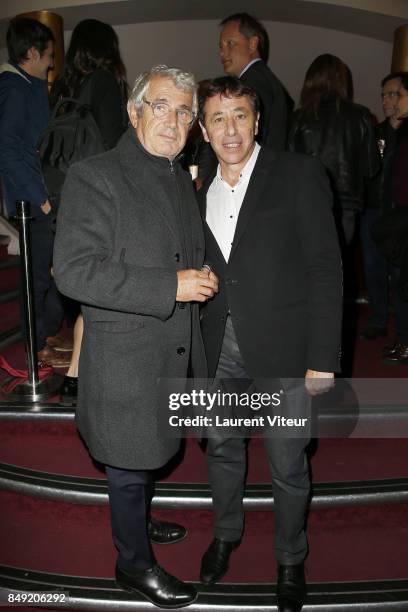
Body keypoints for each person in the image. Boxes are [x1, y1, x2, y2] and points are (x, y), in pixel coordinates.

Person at [53, 65, 218, 608]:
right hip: (125, 356)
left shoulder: (177, 174)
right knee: (127, 463)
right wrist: (170, 285)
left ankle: (139, 520)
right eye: (161, 106)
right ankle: (133, 563)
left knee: (148, 454)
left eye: (184, 112)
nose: (173, 120)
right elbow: (74, 272)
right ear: (134, 111)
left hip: (168, 350)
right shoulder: (95, 175)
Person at [196, 77, 342, 612]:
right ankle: (227, 534)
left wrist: (322, 359)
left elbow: (326, 270)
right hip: (218, 350)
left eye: (239, 115)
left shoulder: (299, 174)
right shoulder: (197, 186)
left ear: (257, 122)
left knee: (287, 464)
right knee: (222, 450)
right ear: (204, 129)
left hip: (284, 350)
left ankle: (289, 557)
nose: (229, 129)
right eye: (218, 118)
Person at [50, 19, 129, 406]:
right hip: (99, 199)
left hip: (66, 200)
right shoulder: (104, 83)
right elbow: (115, 145)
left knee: (89, 292)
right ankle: (82, 377)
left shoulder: (66, 88)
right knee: (103, 290)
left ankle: (76, 377)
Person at [0, 17, 69, 367]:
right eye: (48, 56)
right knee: (38, 276)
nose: (52, 62)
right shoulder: (14, 87)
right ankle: (35, 343)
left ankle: (46, 333)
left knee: (53, 269)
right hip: (32, 202)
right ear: (31, 53)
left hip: (40, 197)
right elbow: (8, 150)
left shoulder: (30, 85)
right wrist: (39, 200)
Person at [288, 54, 379, 250]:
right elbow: (370, 168)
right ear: (342, 81)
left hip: (307, 201)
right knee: (338, 268)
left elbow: (288, 167)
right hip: (345, 206)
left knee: (308, 268)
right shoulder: (361, 115)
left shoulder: (298, 118)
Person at [360, 72, 402, 340]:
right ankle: (377, 318)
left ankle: (402, 326)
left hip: (400, 212)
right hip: (373, 209)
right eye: (384, 94)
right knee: (373, 268)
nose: (386, 100)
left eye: (393, 94)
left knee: (400, 272)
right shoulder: (375, 132)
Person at [219, 12, 293, 150]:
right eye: (221, 46)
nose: (222, 53)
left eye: (230, 43)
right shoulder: (265, 78)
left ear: (252, 44)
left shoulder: (251, 84)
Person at [382, 71, 408, 364]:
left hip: (404, 218)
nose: (393, 101)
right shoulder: (398, 132)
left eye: (399, 95)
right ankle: (403, 339)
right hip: (399, 218)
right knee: (400, 282)